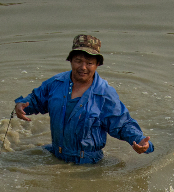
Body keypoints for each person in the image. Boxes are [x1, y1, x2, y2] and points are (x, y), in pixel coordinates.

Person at [14, 34, 154, 165]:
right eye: (78, 61)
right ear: (70, 61)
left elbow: (122, 124)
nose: (83, 67)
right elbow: (36, 99)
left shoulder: (105, 93)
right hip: (56, 154)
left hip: (87, 164)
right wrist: (22, 105)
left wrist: (140, 141)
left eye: (89, 63)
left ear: (97, 64)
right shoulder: (55, 83)